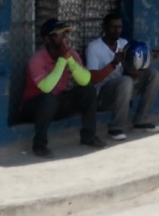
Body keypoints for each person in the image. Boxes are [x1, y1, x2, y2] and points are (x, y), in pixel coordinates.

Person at [21, 18, 106, 158]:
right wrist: (62, 60)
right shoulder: (37, 59)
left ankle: (89, 136)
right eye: (59, 35)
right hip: (35, 106)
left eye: (65, 34)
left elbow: (85, 80)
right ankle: (39, 145)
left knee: (88, 90)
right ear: (47, 39)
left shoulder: (70, 54)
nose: (64, 39)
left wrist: (70, 61)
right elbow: (47, 88)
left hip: (57, 102)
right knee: (49, 99)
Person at [85, 11, 159, 141]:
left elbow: (128, 70)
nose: (117, 30)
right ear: (104, 28)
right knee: (125, 81)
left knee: (152, 74)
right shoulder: (94, 47)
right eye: (113, 27)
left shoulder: (124, 43)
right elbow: (93, 79)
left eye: (119, 27)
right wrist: (113, 63)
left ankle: (141, 121)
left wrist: (145, 60)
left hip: (124, 91)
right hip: (102, 96)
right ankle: (115, 127)